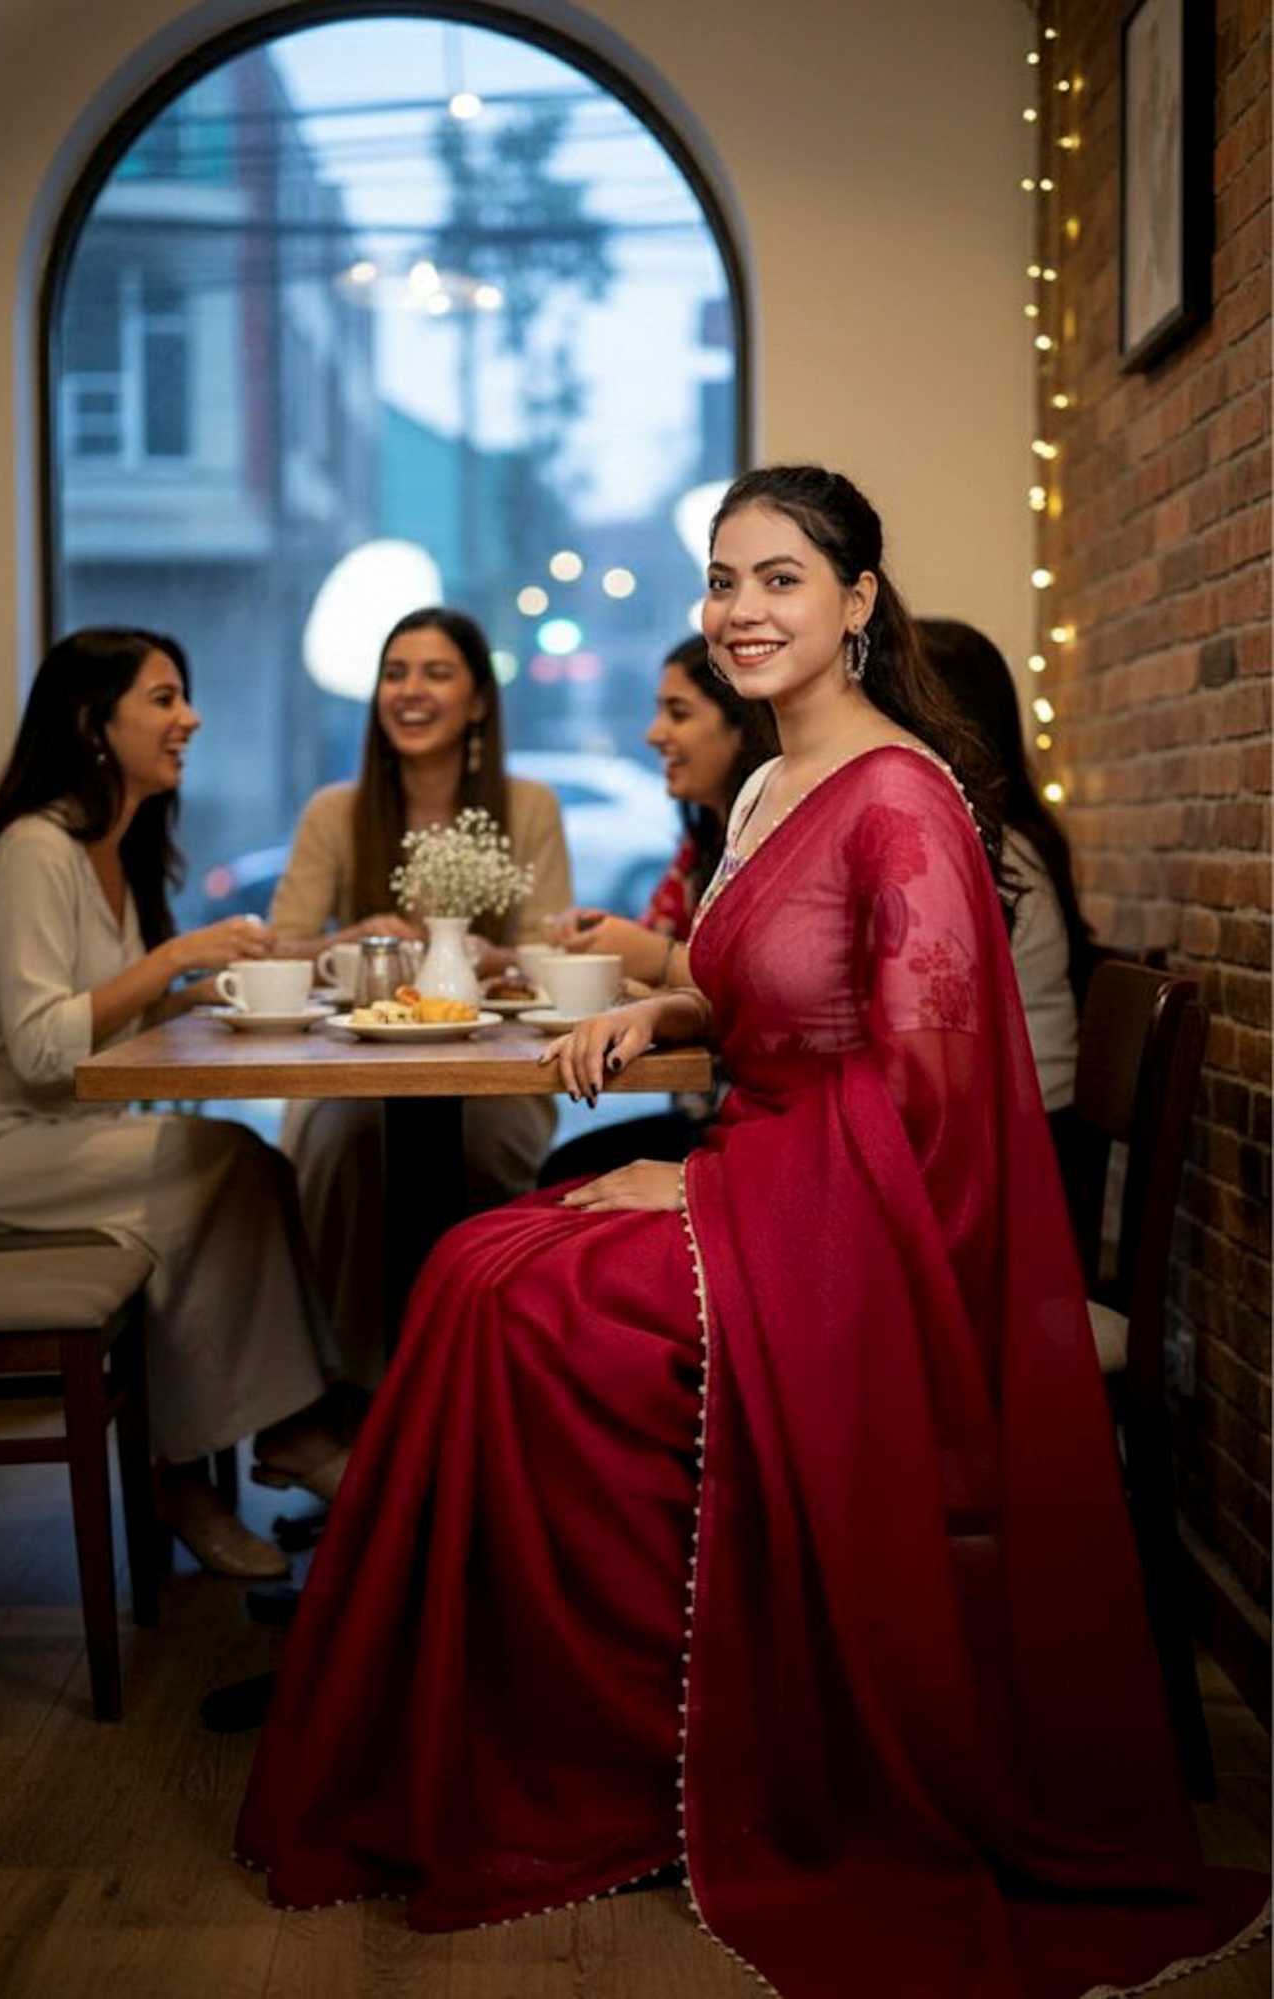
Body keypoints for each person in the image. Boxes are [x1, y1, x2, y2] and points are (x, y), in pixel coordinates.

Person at [236, 470, 1263, 1995]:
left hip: (865, 1236)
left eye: (781, 579)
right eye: (724, 581)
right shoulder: (781, 777)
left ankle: (608, 1757)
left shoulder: (901, 797)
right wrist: (678, 1002)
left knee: (514, 1298)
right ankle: (513, 1734)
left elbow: (928, 1106)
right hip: (780, 1175)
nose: (742, 611)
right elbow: (792, 990)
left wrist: (704, 1189)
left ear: (857, 600)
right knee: (474, 1262)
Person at [0, 629, 347, 1581]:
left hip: (52, 1138)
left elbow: (95, 1029)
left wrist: (187, 1000)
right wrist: (175, 961)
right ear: (94, 721)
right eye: (164, 699)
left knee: (242, 1167)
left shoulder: (106, 850)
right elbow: (47, 1051)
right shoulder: (34, 851)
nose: (190, 718)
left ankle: (266, 1433)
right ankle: (270, 1437)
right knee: (227, 1165)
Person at [267, 607, 571, 1385]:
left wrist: (490, 952)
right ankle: (360, 1395)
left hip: (493, 1067)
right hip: (352, 1069)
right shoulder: (335, 811)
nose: (410, 691)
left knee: (483, 1144)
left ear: (476, 701)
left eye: (436, 673)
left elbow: (551, 951)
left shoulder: (527, 805)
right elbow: (280, 949)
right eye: (395, 673)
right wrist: (350, 940)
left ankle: (473, 1386)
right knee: (342, 1144)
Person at [537, 633, 777, 1183]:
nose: (653, 735)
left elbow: (762, 1001)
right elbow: (650, 974)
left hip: (750, 1128)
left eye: (679, 713)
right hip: (706, 1109)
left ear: (744, 726)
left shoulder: (773, 847)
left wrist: (655, 957)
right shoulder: (701, 846)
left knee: (562, 1172)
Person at [919, 617, 1093, 1168]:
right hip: (1017, 1124)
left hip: (1018, 1149)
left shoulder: (981, 846)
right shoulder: (1003, 831)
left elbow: (926, 1028)